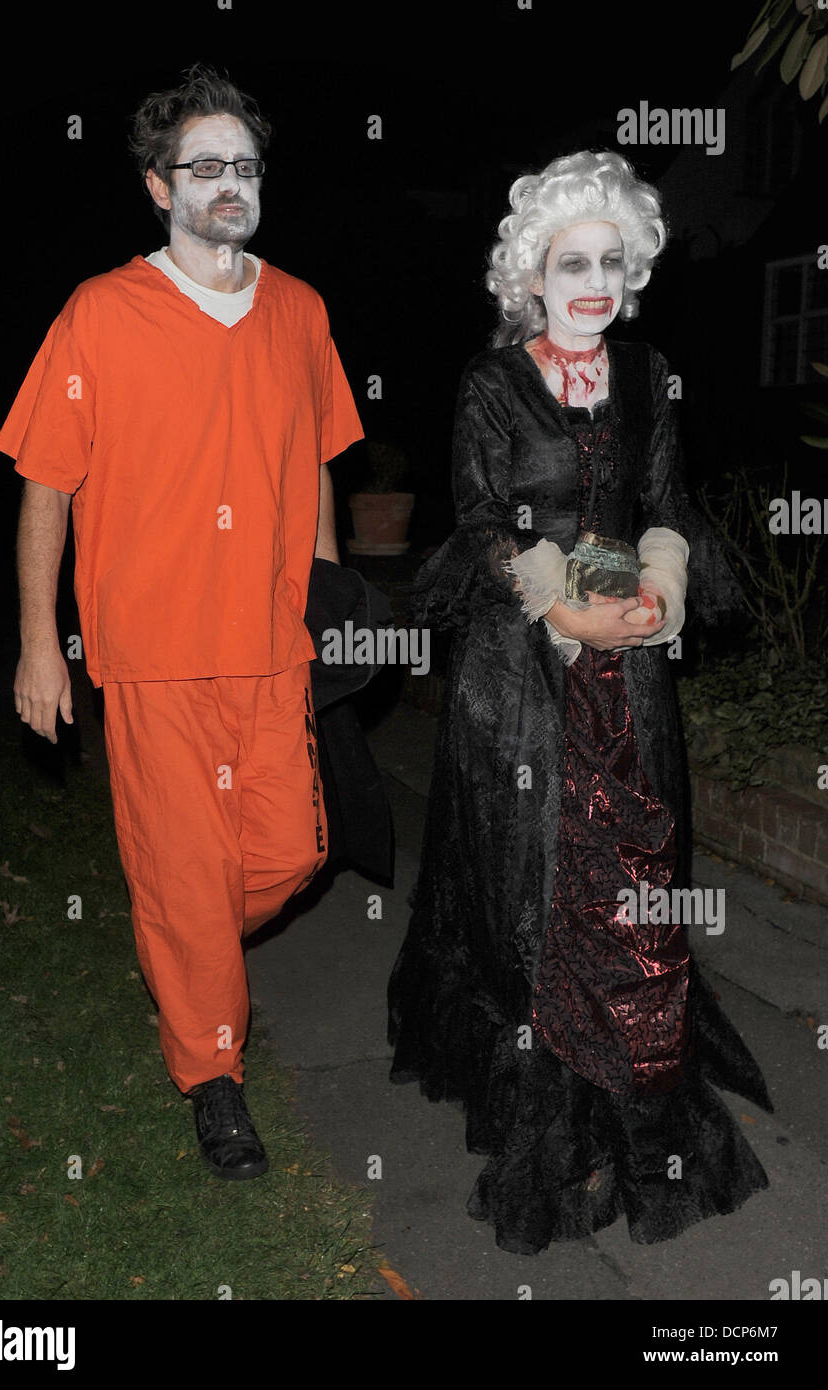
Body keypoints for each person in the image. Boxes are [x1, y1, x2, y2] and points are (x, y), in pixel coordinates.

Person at [387, 150, 772, 1255]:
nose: (594, 282)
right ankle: (551, 1114)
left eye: (612, 261)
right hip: (523, 676)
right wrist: (567, 612)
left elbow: (665, 499)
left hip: (631, 673)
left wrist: (661, 590)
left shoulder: (648, 373)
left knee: (635, 890)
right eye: (572, 263)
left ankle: (632, 1092)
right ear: (532, 275)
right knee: (535, 892)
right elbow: (482, 521)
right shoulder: (491, 383)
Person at [0, 65, 363, 1181]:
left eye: (244, 164)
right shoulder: (101, 312)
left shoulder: (300, 310)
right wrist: (39, 643)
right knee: (190, 877)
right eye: (204, 166)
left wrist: (329, 600)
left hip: (272, 646)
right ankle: (214, 1079)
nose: (229, 183)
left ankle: (181, 934)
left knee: (294, 854)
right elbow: (46, 486)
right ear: (159, 187)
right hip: (151, 653)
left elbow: (315, 464)